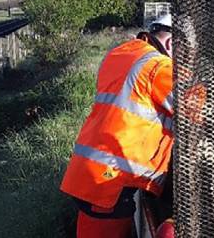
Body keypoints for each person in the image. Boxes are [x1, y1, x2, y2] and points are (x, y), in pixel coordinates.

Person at [60, 14, 180, 238]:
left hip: (95, 173)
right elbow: (200, 109)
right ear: (172, 44)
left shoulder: (122, 54)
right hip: (109, 181)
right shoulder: (158, 66)